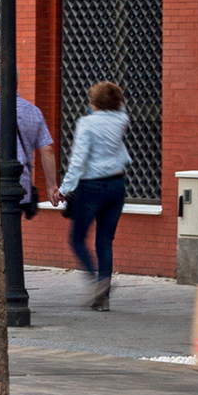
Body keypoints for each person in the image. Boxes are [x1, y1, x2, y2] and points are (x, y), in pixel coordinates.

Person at [59, 81, 131, 311]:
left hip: (92, 187)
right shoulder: (121, 120)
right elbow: (120, 108)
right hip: (117, 185)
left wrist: (64, 188)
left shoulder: (87, 124)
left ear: (95, 102)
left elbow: (78, 160)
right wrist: (114, 98)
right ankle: (104, 298)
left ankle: (95, 282)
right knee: (105, 243)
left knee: (77, 239)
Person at [0, 64, 61, 214]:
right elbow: (47, 150)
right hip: (22, 183)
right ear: (16, 82)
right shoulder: (34, 111)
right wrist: (51, 186)